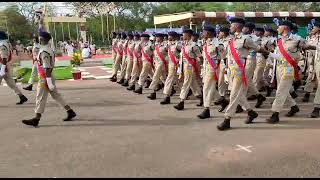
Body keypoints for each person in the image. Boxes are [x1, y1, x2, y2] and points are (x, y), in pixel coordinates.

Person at [217, 17, 269, 131]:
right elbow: (225, 54)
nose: (230, 27)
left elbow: (258, 48)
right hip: (231, 69)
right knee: (238, 94)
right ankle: (251, 112)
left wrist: (270, 54)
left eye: (231, 25)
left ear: (236, 26)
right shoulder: (231, 39)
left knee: (234, 95)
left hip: (240, 70)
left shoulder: (246, 39)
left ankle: (227, 119)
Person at [22, 31, 77, 127]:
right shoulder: (47, 49)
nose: (39, 39)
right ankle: (70, 111)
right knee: (56, 96)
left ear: (42, 39)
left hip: (45, 77)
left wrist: (48, 81)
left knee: (40, 97)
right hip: (47, 76)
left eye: (40, 37)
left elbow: (47, 67)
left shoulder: (44, 51)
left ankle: (36, 119)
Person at [266, 20, 316, 124]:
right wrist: (269, 54)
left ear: (285, 28)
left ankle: (275, 114)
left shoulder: (297, 39)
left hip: (288, 68)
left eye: (279, 27)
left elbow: (309, 47)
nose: (277, 29)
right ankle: (294, 107)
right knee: (284, 90)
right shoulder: (278, 40)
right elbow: (280, 56)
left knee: (280, 91)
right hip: (279, 67)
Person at [197, 25, 226, 119]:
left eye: (204, 32)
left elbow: (224, 57)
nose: (202, 34)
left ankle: (206, 109)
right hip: (206, 68)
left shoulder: (218, 44)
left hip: (213, 68)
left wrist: (224, 68)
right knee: (210, 87)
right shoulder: (206, 43)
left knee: (206, 88)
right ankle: (222, 101)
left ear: (209, 33)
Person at [173, 28, 203, 111]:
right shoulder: (183, 45)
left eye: (184, 34)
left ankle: (181, 102)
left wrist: (199, 67)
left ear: (188, 35)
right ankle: (201, 96)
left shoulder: (194, 45)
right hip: (184, 66)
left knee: (186, 83)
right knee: (193, 84)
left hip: (190, 66)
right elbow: (178, 54)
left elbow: (200, 57)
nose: (182, 35)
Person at [0, 31, 28, 105]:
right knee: (11, 83)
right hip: (5, 66)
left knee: (11, 83)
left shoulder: (2, 45)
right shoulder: (6, 44)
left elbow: (4, 58)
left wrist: (2, 69)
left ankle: (21, 96)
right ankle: (21, 96)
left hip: (2, 66)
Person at [160, 31, 181, 104]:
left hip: (177, 64)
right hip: (170, 64)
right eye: (168, 36)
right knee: (178, 80)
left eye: (170, 36)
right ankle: (167, 96)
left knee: (171, 79)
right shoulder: (168, 44)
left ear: (174, 37)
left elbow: (183, 53)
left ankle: (167, 96)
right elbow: (164, 52)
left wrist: (179, 60)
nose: (168, 37)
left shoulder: (178, 44)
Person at [147, 33, 168, 100]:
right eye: (155, 37)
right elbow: (148, 52)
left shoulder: (165, 45)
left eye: (157, 37)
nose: (156, 38)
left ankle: (153, 92)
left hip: (162, 63)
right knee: (163, 78)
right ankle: (170, 89)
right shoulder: (155, 45)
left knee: (155, 77)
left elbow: (170, 54)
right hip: (156, 63)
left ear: (161, 38)